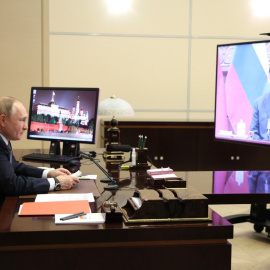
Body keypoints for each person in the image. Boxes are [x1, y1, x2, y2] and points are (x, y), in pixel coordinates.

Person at [0, 96, 80, 207]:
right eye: (21, 120)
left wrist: (49, 173)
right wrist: (56, 183)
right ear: (3, 120)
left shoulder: (3, 140)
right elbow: (12, 185)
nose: (26, 127)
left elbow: (15, 167)